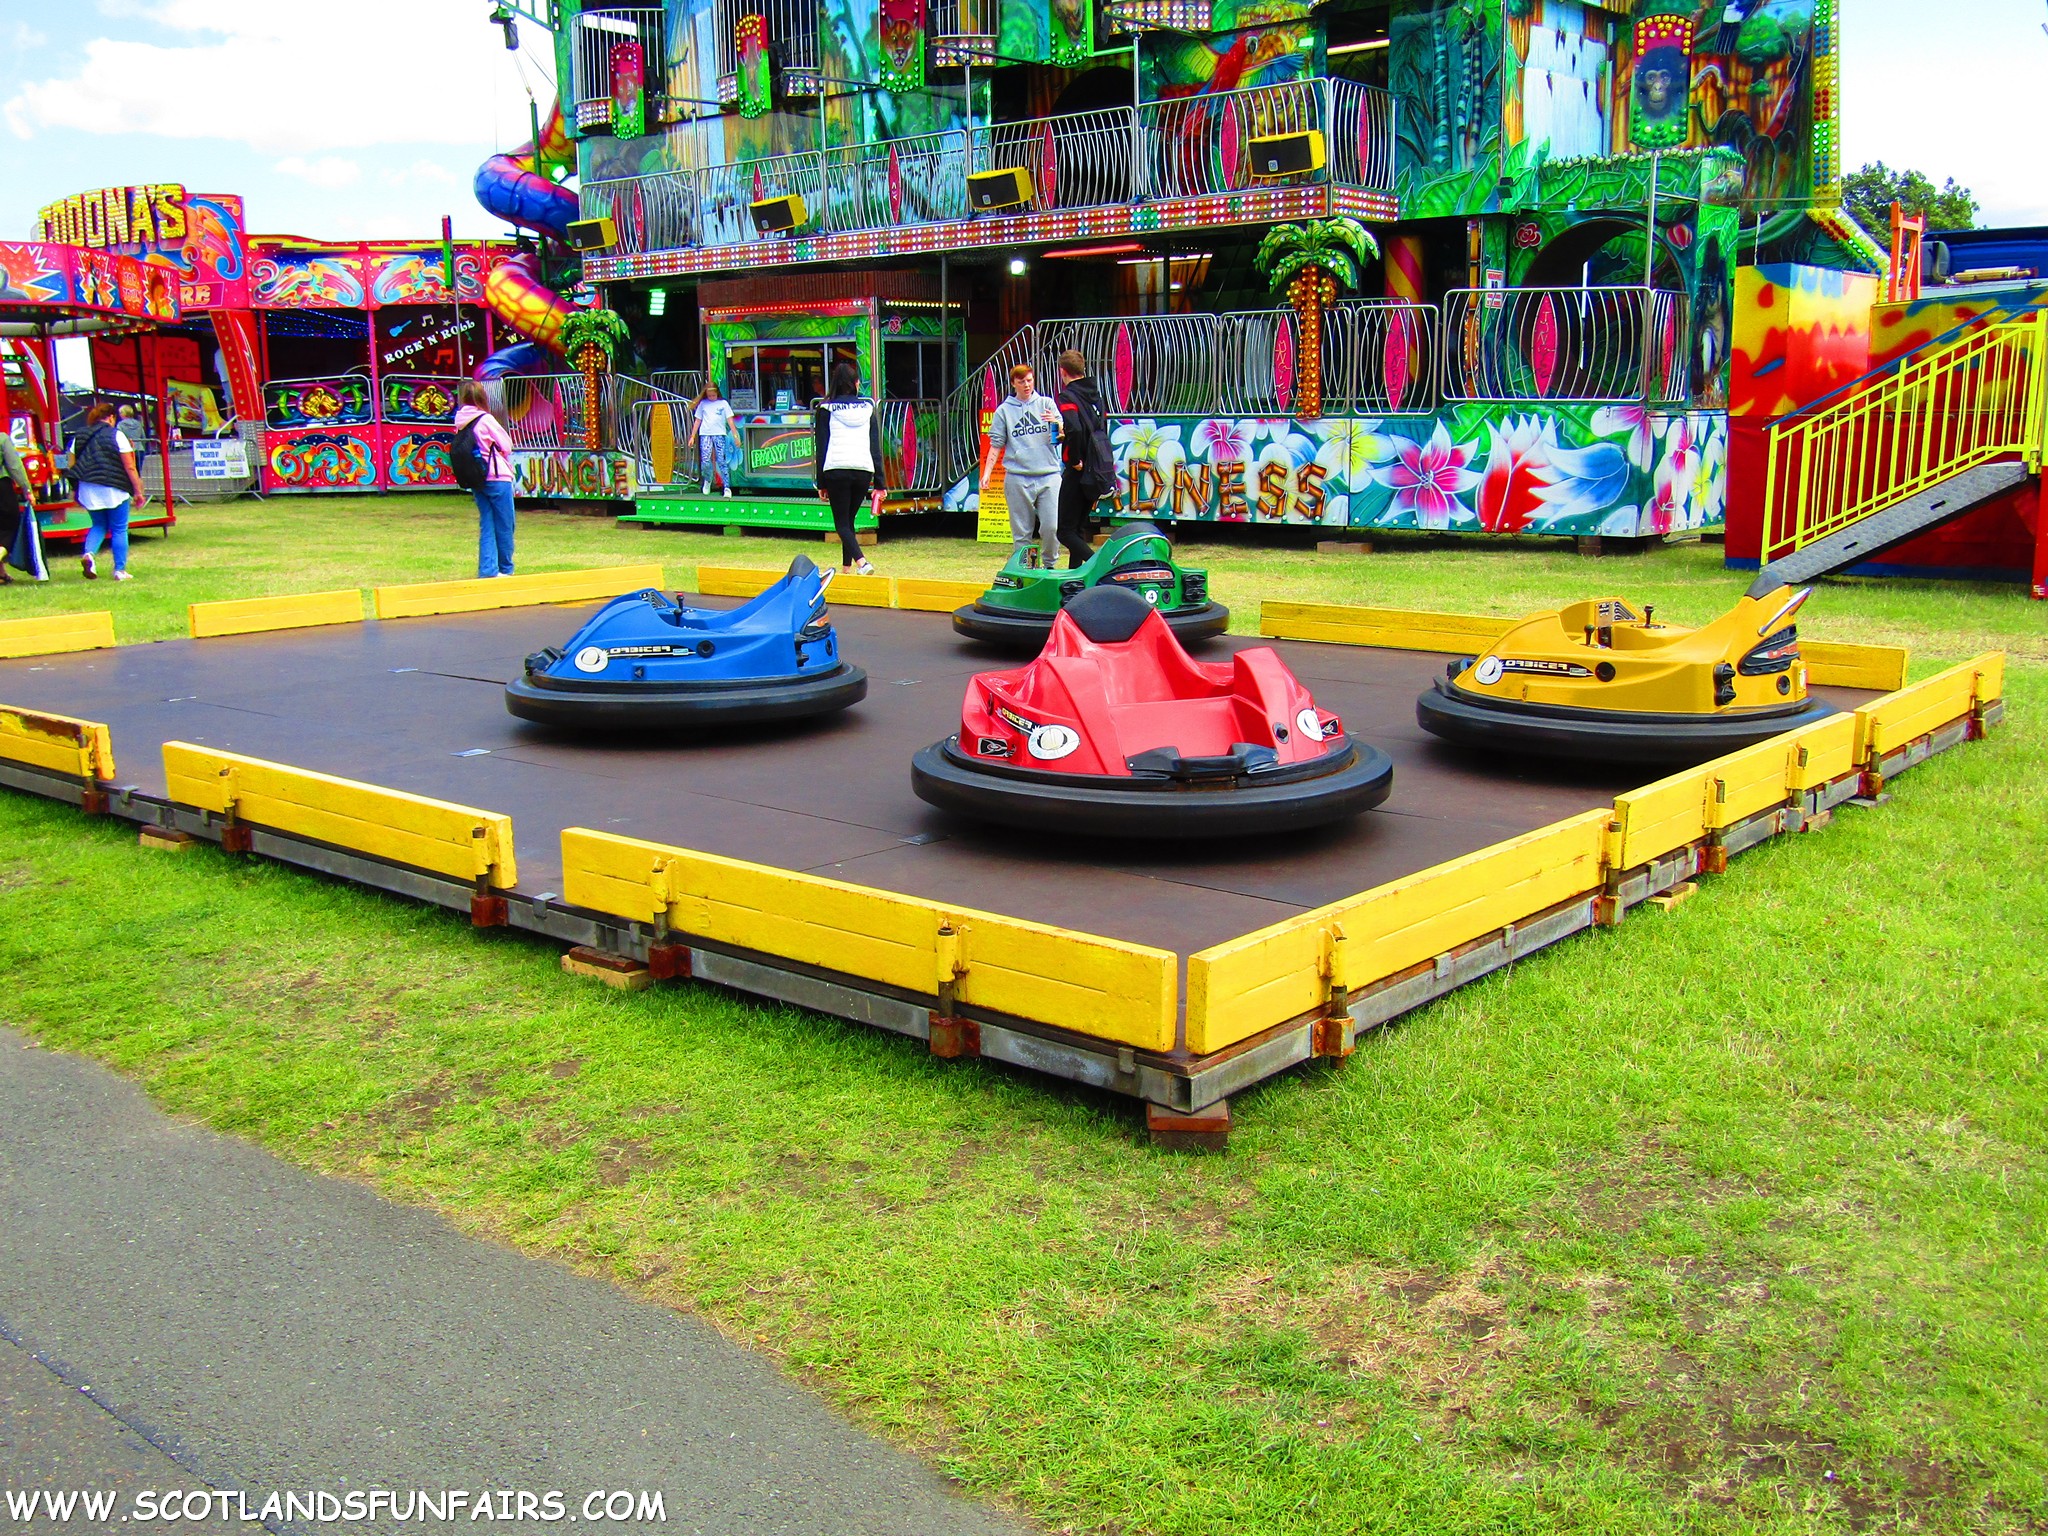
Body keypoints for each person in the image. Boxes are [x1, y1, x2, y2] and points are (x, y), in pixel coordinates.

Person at [987, 363, 1062, 567]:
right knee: (1022, 532)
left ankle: (1050, 566)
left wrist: (1056, 424)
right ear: (1014, 383)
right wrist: (987, 474)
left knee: (1051, 527)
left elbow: (1061, 436)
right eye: (1022, 382)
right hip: (1018, 476)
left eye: (1029, 380)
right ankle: (1027, 570)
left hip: (1049, 474)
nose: (1027, 385)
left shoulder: (1046, 403)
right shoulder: (1004, 411)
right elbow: (996, 444)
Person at [812, 363, 882, 576]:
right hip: (863, 469)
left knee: (841, 524)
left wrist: (821, 482)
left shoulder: (825, 409)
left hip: (836, 469)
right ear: (856, 383)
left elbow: (821, 447)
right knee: (848, 521)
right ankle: (846, 568)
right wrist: (881, 483)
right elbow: (875, 448)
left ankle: (862, 563)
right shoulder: (868, 408)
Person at [71, 402, 146, 581]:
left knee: (98, 525)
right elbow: (130, 466)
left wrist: (76, 490)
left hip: (88, 487)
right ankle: (120, 570)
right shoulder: (117, 435)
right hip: (115, 487)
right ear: (111, 418)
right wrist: (138, 491)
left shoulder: (79, 436)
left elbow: (72, 465)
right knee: (119, 528)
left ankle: (89, 554)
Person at [1054, 349, 1115, 570]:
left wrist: (1075, 459)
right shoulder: (1096, 395)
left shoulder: (1068, 396)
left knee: (1064, 532)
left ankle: (1100, 566)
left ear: (1063, 371)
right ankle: (1076, 576)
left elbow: (1076, 428)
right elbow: (1099, 428)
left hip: (1079, 469)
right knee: (1077, 528)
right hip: (1097, 467)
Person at [454, 381, 517, 579]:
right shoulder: (485, 419)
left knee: (487, 523)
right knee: (505, 524)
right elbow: (506, 445)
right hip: (497, 476)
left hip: (476, 477)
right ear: (483, 398)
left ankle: (488, 570)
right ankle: (505, 568)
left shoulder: (460, 421)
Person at [0, 429, 47, 583]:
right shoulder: (2, 438)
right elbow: (15, 466)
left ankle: (1, 573)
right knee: (10, 528)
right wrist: (27, 489)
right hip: (2, 489)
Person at [685, 378, 737, 499]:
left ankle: (727, 487)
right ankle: (708, 479)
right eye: (709, 395)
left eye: (713, 395)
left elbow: (730, 420)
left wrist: (735, 435)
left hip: (719, 434)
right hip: (705, 434)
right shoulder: (703, 404)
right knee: (705, 460)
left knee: (722, 460)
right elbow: (698, 420)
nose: (711, 397)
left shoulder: (723, 404)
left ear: (717, 393)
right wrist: (692, 436)